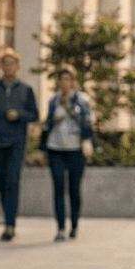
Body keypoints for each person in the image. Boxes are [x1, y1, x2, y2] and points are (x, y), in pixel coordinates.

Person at [0, 49, 39, 242]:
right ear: (1, 67)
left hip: (16, 144)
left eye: (12, 63)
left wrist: (19, 114)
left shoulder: (25, 90)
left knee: (12, 181)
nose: (9, 67)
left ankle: (10, 226)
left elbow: (34, 115)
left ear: (17, 67)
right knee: (2, 184)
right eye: (5, 63)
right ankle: (8, 220)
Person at [42, 67, 94, 242]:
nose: (64, 83)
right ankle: (60, 228)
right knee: (58, 188)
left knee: (74, 189)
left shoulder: (82, 100)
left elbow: (87, 124)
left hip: (75, 150)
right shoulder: (53, 101)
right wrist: (42, 148)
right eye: (61, 79)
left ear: (73, 82)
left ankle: (75, 225)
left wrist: (70, 109)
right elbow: (46, 125)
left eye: (68, 79)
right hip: (55, 148)